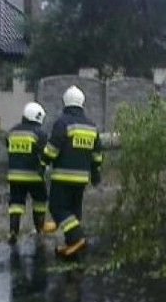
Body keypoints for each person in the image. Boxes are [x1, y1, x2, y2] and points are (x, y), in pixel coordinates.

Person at [42, 85, 103, 259]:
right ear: (82, 103)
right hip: (82, 178)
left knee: (58, 207)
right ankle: (72, 244)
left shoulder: (62, 123)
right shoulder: (91, 126)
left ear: (65, 102)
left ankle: (77, 238)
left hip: (63, 177)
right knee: (74, 210)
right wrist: (96, 173)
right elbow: (97, 154)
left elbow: (53, 149)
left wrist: (43, 161)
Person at [6, 101, 57, 245]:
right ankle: (40, 228)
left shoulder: (12, 131)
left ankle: (13, 231)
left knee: (16, 203)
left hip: (14, 175)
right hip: (34, 176)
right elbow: (45, 152)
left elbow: (8, 147)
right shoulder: (39, 133)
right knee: (40, 201)